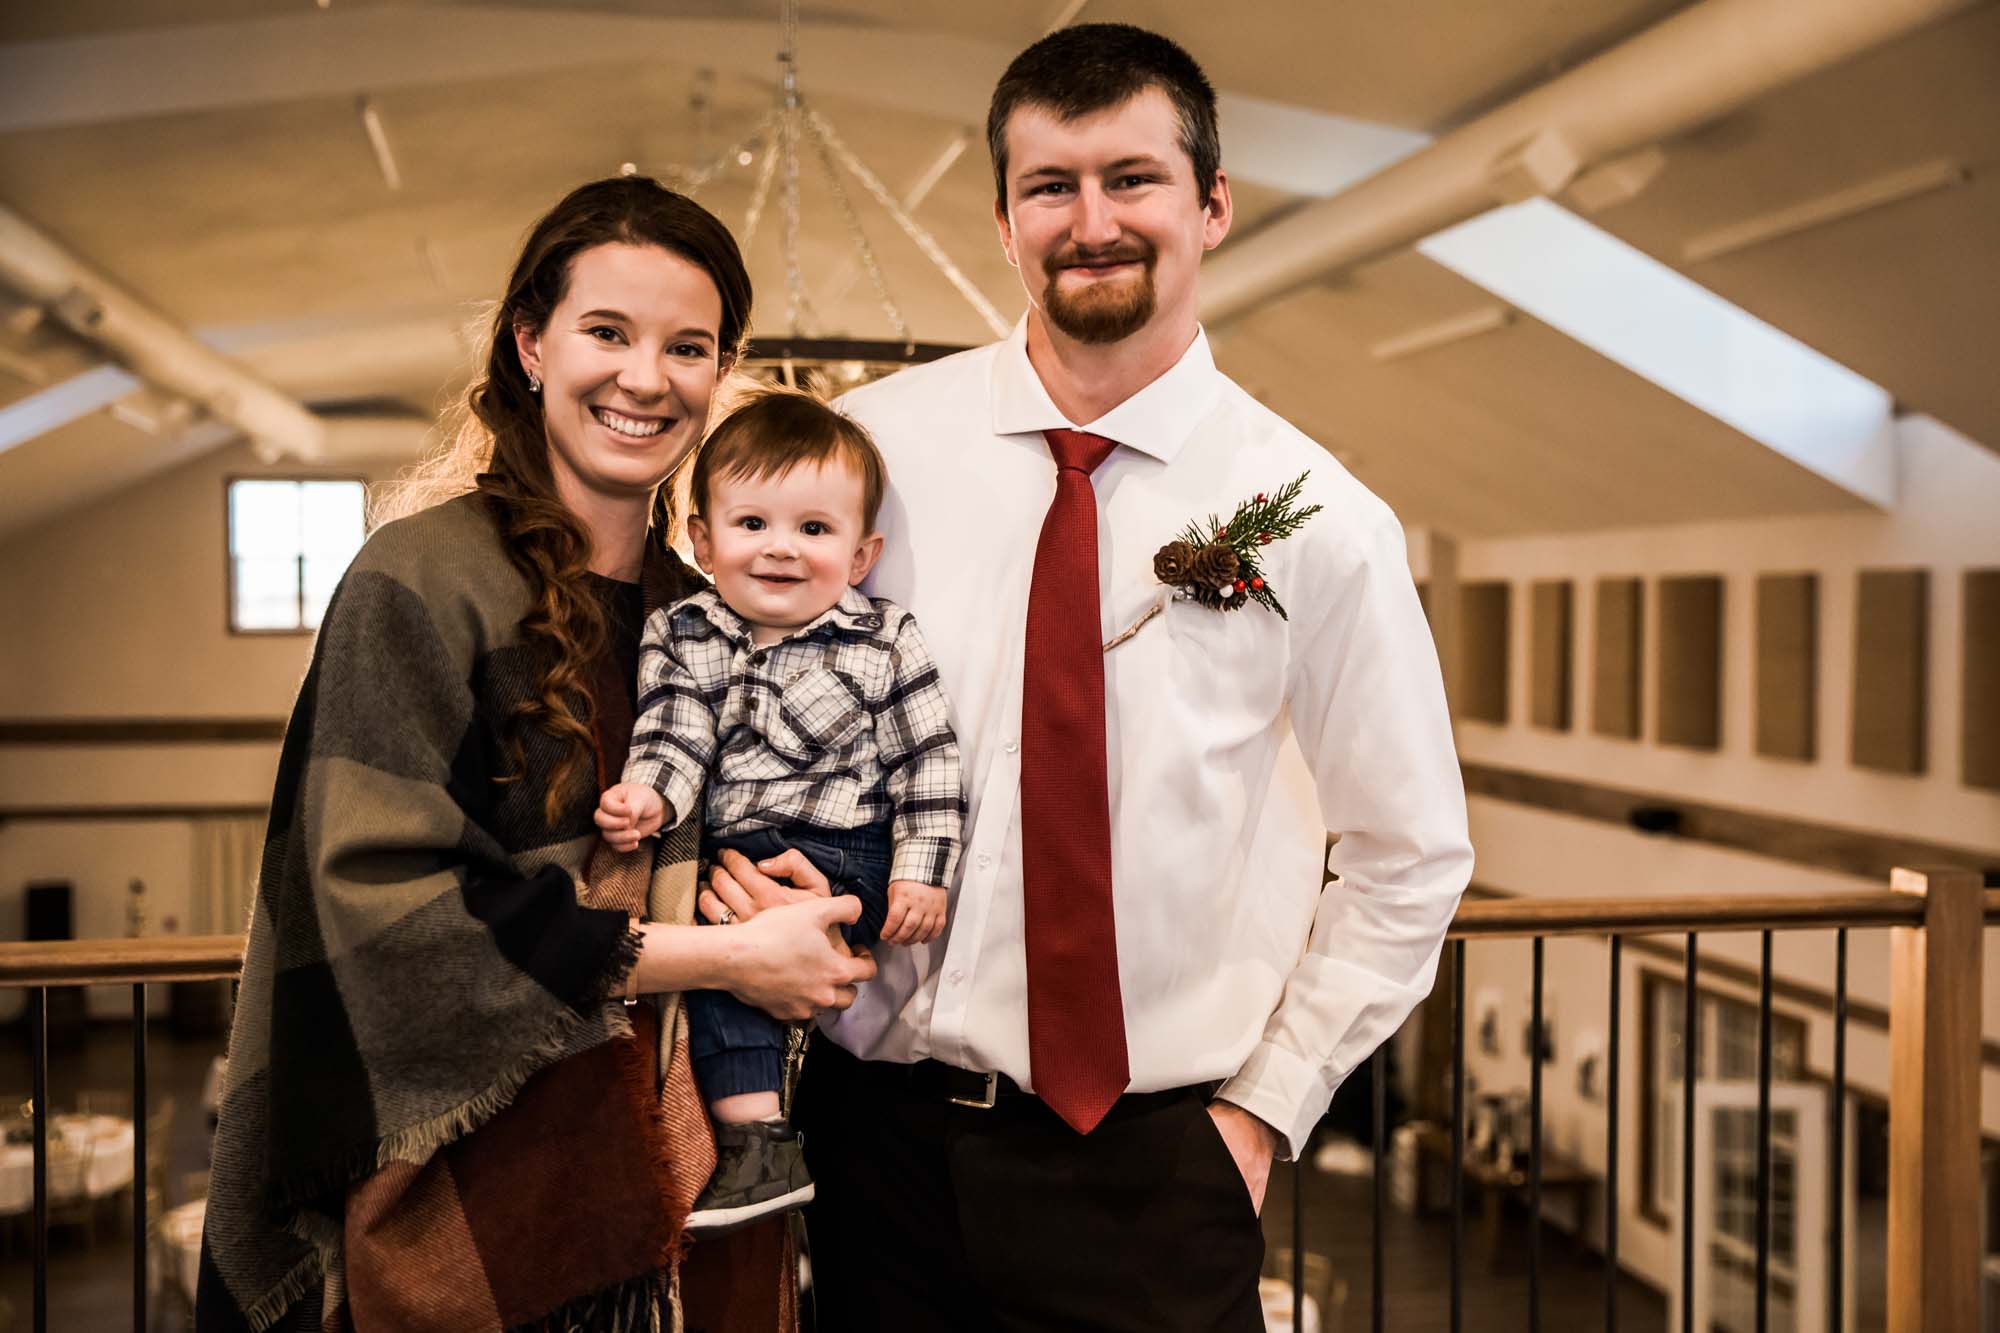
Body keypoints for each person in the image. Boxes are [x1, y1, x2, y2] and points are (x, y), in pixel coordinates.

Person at [699, 24, 1475, 1331]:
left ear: (1212, 206)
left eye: (1134, 178)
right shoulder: (873, 457)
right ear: (1004, 223)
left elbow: (1411, 854)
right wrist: (738, 872)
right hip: (879, 1147)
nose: (1092, 219)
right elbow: (761, 697)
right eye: (1050, 186)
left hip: (1160, 1170)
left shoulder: (1314, 516)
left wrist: (1260, 1113)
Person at [197, 176, 873, 1333]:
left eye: (688, 346)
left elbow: (753, 827)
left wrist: (791, 889)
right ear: (528, 343)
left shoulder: (702, 608)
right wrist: (721, 957)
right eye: (606, 332)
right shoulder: (418, 578)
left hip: (678, 1183)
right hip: (482, 1192)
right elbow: (386, 914)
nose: (646, 377)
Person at [595, 389, 963, 1235]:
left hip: (855, 847)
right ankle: (758, 1140)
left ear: (862, 552)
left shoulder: (885, 637)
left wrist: (920, 868)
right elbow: (676, 728)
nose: (780, 550)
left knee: (752, 939)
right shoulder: (682, 631)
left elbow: (926, 758)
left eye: (814, 530)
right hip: (737, 851)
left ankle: (768, 1129)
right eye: (752, 523)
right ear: (701, 539)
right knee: (715, 962)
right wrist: (649, 793)